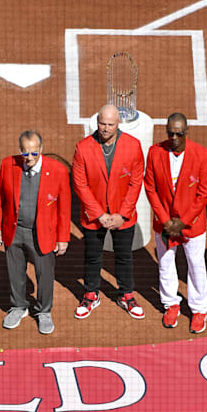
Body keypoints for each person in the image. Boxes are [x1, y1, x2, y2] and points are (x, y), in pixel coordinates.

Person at [71, 104, 145, 320]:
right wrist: (99, 214)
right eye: (102, 123)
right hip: (95, 217)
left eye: (110, 124)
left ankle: (126, 294)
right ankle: (91, 294)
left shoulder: (133, 146)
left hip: (122, 216)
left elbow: (135, 183)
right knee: (92, 257)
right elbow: (80, 184)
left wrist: (121, 214)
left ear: (118, 123)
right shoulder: (83, 147)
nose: (105, 128)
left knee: (124, 257)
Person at [0, 130, 70, 335]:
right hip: (14, 229)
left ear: (41, 150)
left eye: (34, 153)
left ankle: (44, 311)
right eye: (25, 153)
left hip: (43, 232)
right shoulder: (8, 165)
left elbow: (64, 208)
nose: (29, 158)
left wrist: (63, 238)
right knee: (15, 271)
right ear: (20, 150)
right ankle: (18, 306)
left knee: (44, 274)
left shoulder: (58, 171)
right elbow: (0, 198)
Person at [143, 113, 207, 333]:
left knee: (195, 264)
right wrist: (165, 220)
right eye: (170, 133)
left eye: (178, 133)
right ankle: (171, 303)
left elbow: (204, 193)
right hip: (164, 224)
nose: (173, 137)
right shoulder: (155, 152)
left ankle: (199, 309)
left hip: (191, 225)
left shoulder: (201, 154)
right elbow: (150, 188)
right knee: (165, 263)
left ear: (186, 132)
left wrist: (182, 222)